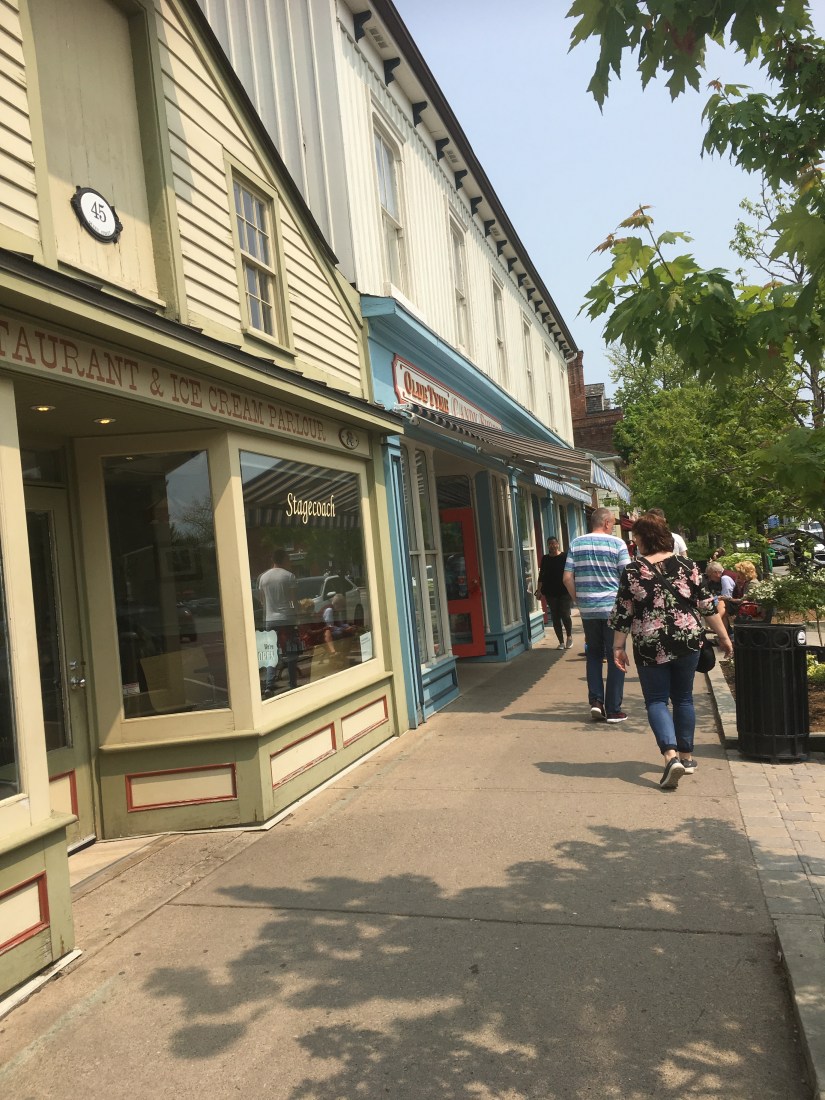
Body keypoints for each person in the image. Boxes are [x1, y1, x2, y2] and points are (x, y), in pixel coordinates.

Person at [610, 513, 733, 790]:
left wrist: (618, 647)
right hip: (686, 640)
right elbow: (706, 606)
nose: (635, 542)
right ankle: (687, 757)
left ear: (643, 539)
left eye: (636, 537)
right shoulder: (688, 566)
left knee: (656, 701)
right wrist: (724, 637)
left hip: (649, 643)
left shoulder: (632, 570)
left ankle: (670, 756)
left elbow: (623, 612)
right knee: (684, 698)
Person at [564, 507, 631, 722]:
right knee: (615, 653)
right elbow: (627, 576)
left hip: (588, 609)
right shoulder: (618, 544)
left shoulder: (576, 543)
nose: (612, 527)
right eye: (612, 524)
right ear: (607, 523)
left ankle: (596, 702)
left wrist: (579, 600)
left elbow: (567, 578)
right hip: (612, 608)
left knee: (593, 654)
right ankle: (613, 709)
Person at [257, 548, 299, 693]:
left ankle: (269, 684)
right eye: (288, 559)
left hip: (270, 619)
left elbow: (262, 601)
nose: (289, 562)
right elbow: (293, 601)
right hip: (286, 618)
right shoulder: (289, 576)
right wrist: (296, 613)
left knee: (271, 652)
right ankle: (292, 683)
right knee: (291, 650)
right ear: (284, 559)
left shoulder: (263, 578)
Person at [537, 537, 573, 650]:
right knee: (555, 616)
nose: (552, 546)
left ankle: (569, 636)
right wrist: (539, 590)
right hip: (550, 592)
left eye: (554, 543)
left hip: (564, 591)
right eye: (550, 544)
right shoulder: (545, 558)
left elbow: (571, 572)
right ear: (547, 546)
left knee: (565, 614)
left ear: (558, 544)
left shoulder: (565, 556)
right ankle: (561, 642)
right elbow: (541, 576)